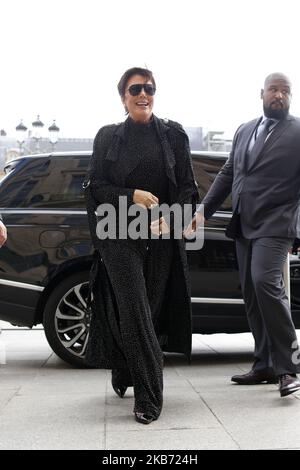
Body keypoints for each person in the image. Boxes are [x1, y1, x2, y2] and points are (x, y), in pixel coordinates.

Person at [84, 67, 198, 424]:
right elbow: (95, 187)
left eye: (149, 88)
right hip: (117, 234)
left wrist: (176, 218)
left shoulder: (174, 136)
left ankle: (125, 368)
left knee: (146, 311)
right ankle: (150, 398)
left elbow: (187, 189)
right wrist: (130, 195)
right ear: (123, 97)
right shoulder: (107, 137)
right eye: (135, 89)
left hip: (160, 237)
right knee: (134, 309)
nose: (143, 94)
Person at [185, 72, 300, 397]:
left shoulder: (298, 131)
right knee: (251, 292)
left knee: (266, 283)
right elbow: (229, 172)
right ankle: (263, 363)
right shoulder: (245, 129)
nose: (279, 96)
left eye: (286, 91)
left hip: (277, 224)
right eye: (274, 90)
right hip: (244, 222)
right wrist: (202, 212)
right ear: (261, 93)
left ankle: (289, 367)